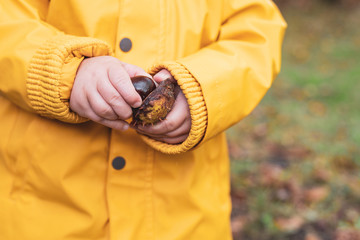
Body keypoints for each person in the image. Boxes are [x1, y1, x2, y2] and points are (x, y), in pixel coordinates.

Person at [0, 0, 286, 239]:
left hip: (184, 218)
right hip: (43, 212)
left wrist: (202, 87)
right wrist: (64, 71)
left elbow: (256, 33)